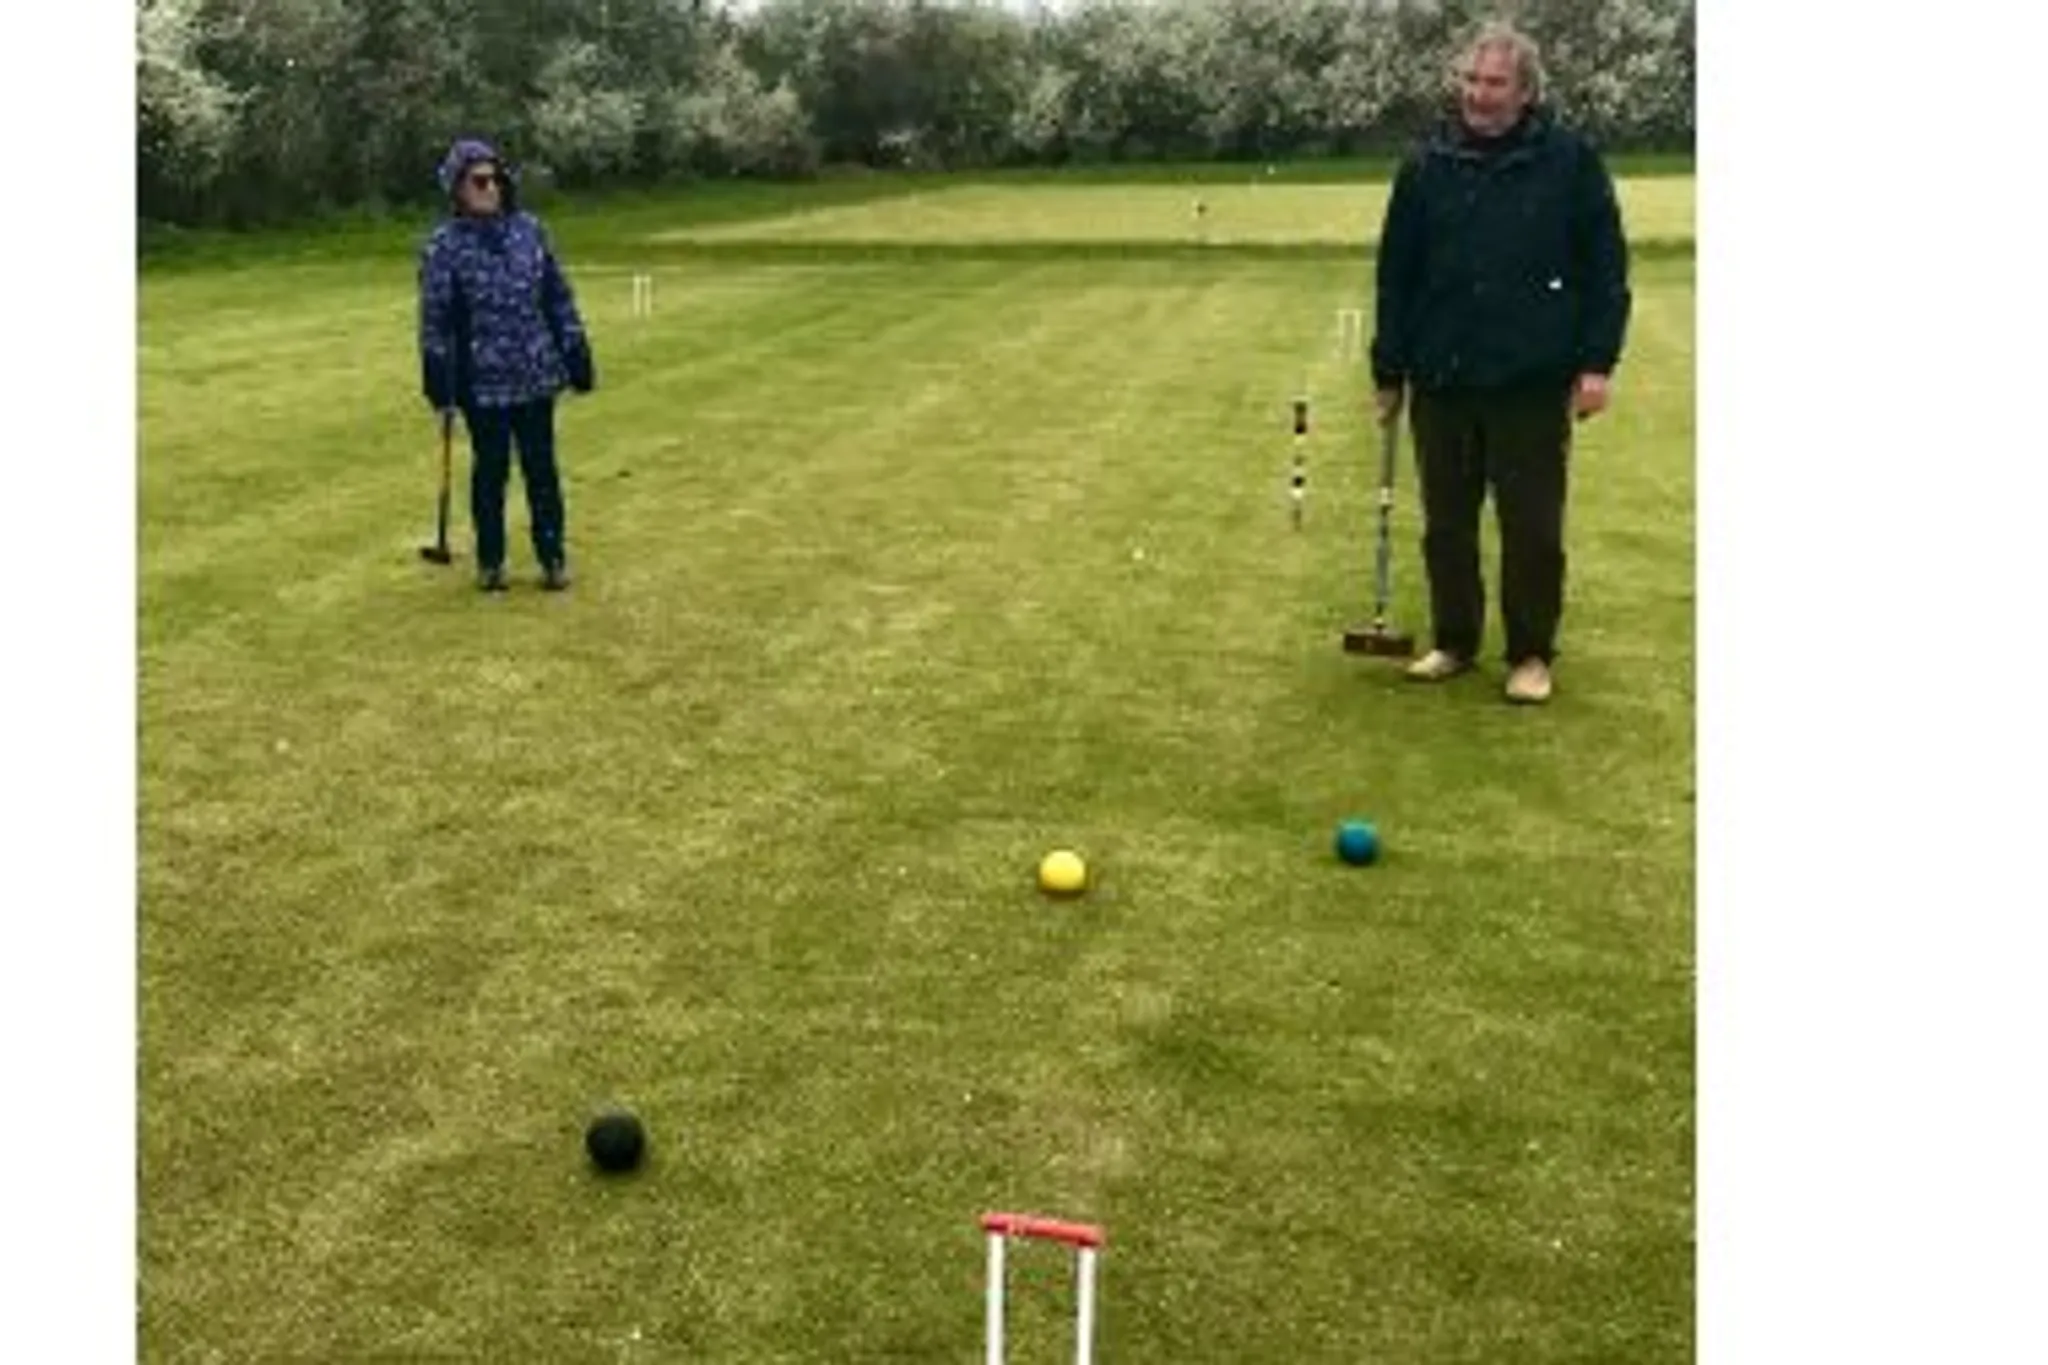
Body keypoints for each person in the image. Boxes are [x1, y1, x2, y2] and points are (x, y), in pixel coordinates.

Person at [1368, 21, 1631, 703]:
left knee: (1532, 528)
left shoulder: (1569, 162)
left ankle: (1531, 654)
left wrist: (1597, 363)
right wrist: (1388, 369)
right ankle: (1455, 641)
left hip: (1530, 377)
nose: (1478, 95)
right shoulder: (1426, 162)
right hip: (1444, 373)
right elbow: (1396, 272)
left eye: (1494, 83)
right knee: (1447, 526)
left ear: (1525, 93)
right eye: (1471, 80)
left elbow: (1605, 269)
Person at [418, 137, 595, 592]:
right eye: (479, 181)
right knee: (491, 470)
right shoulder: (444, 246)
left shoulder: (530, 231)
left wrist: (575, 347)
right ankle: (491, 561)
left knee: (542, 468)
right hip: (482, 382)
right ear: (457, 188)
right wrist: (438, 375)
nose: (490, 188)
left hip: (536, 372)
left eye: (495, 179)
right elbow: (435, 319)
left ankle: (552, 558)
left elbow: (557, 296)